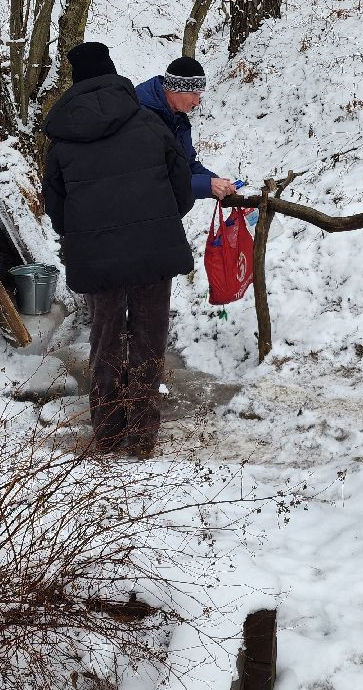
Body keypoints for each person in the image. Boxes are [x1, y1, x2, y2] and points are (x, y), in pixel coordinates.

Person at [42, 42, 195, 458]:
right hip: (152, 251)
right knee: (148, 338)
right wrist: (157, 220)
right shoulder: (149, 124)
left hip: (97, 258)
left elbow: (55, 210)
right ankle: (142, 435)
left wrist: (89, 233)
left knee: (105, 337)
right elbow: (181, 190)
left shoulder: (62, 142)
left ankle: (107, 431)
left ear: (74, 85)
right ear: (113, 74)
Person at [134, 56, 237, 201]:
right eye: (194, 93)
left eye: (199, 95)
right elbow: (152, 179)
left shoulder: (177, 118)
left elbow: (186, 165)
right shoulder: (141, 117)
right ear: (176, 88)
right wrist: (207, 185)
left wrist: (217, 183)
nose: (197, 102)